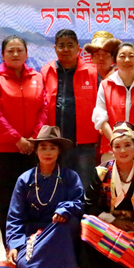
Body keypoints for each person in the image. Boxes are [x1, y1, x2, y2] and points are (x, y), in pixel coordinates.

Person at [0, 35, 48, 250]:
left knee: (34, 199)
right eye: (10, 50)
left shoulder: (37, 77)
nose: (15, 54)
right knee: (7, 200)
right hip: (5, 150)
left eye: (19, 50)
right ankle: (11, 247)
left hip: (33, 148)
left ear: (26, 54)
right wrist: (17, 139)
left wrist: (33, 138)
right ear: (3, 55)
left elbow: (44, 108)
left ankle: (32, 246)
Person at [80, 122, 134, 268]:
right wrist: (114, 222)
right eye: (117, 146)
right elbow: (89, 204)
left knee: (131, 247)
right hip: (109, 228)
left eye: (127, 145)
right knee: (87, 224)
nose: (123, 151)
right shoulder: (102, 172)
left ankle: (124, 267)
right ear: (111, 149)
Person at [5, 126, 84, 268]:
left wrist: (64, 210)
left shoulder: (70, 177)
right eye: (43, 147)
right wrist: (14, 245)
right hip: (34, 235)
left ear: (59, 151)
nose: (48, 152)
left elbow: (79, 202)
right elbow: (15, 217)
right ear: (36, 151)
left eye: (52, 148)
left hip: (58, 232)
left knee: (68, 223)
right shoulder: (25, 180)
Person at [41, 29, 100, 192]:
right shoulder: (46, 72)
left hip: (84, 144)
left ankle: (84, 210)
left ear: (78, 48)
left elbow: (102, 106)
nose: (65, 49)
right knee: (56, 189)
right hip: (55, 144)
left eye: (70, 45)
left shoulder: (92, 73)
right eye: (61, 45)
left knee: (84, 189)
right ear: (55, 48)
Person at [93, 42, 134, 163]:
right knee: (110, 176)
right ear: (115, 60)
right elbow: (100, 116)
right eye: (122, 56)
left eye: (131, 56)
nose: (127, 60)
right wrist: (115, 142)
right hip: (111, 149)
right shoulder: (105, 84)